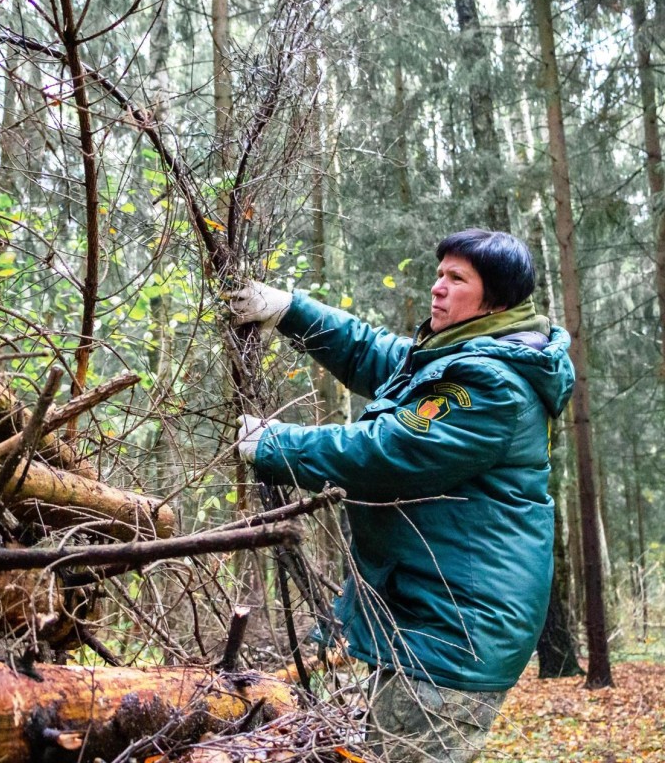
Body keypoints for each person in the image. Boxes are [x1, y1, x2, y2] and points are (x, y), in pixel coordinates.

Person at [228, 229, 575, 763]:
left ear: (497, 299)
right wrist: (289, 311)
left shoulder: (494, 384)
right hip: (430, 621)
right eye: (440, 273)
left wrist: (274, 444)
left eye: (457, 279)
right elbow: (374, 354)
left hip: (455, 633)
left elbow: (390, 453)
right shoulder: (461, 356)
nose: (437, 287)